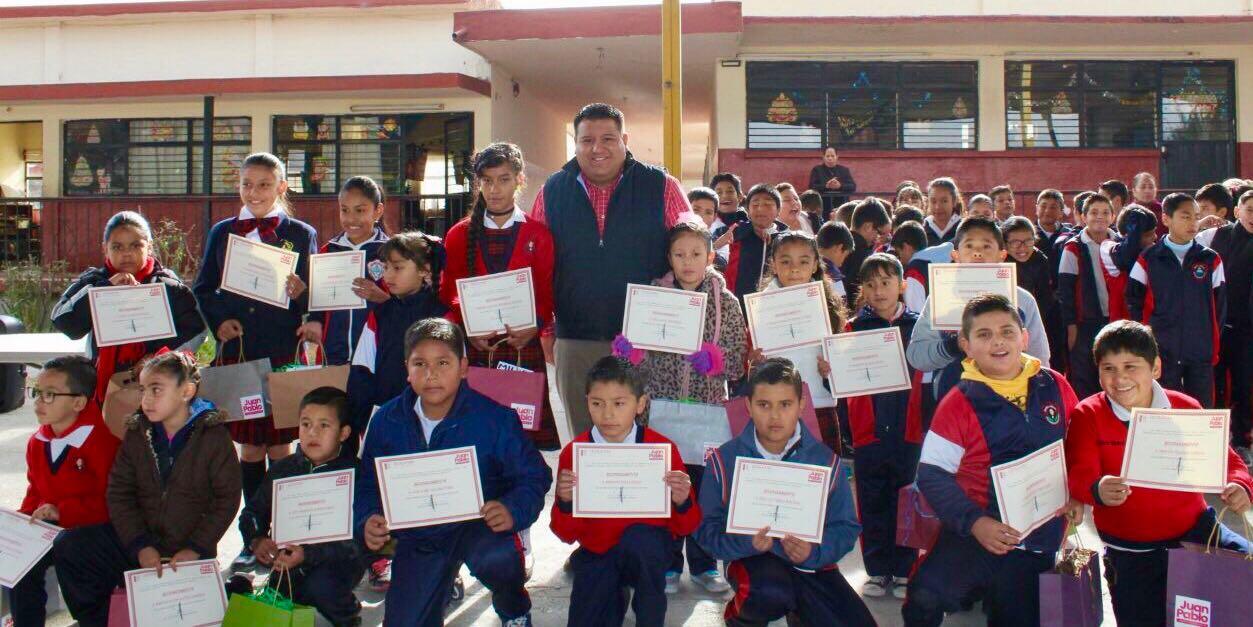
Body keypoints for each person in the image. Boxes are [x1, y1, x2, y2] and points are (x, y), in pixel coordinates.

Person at [355, 318, 551, 627]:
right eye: (420, 363)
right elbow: (367, 482)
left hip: (478, 527)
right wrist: (367, 517)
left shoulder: (495, 419)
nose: (431, 374)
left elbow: (534, 475)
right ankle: (435, 590)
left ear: (463, 367)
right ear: (407, 368)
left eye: (443, 363)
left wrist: (512, 509)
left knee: (499, 560)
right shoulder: (386, 421)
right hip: (419, 536)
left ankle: (514, 607)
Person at [902, 294, 1082, 627]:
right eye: (983, 334)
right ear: (966, 345)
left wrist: (1079, 493)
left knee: (1016, 614)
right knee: (926, 592)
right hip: (977, 531)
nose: (997, 341)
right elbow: (932, 475)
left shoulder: (1054, 385)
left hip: (1039, 534)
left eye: (1007, 331)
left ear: (1024, 338)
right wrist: (975, 523)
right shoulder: (958, 402)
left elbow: (1078, 447)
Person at [1065, 320, 1252, 626]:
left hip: (1196, 534)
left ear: (1156, 368)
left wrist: (1240, 485)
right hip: (1130, 549)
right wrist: (1097, 489)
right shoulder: (1088, 414)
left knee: (1226, 601)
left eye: (1130, 366)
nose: (1120, 378)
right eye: (1108, 368)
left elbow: (1227, 461)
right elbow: (1078, 473)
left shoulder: (1185, 406)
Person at [530, 102, 691, 438]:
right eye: (587, 140)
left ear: (625, 140)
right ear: (575, 143)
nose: (597, 149)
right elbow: (538, 268)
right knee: (585, 440)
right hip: (576, 338)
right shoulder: (552, 191)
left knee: (646, 440)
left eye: (608, 139)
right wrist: (546, 330)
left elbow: (692, 252)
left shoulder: (661, 186)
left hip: (647, 342)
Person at [191, 152, 315, 569]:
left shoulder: (300, 232)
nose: (254, 192)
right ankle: (252, 534)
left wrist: (302, 295)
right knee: (248, 446)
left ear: (282, 186)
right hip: (239, 351)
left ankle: (281, 530)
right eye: (247, 184)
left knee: (280, 444)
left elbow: (314, 293)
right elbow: (204, 287)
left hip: (280, 349)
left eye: (264, 184)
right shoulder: (223, 232)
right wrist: (220, 321)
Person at [55, 351, 241, 627]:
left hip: (188, 548)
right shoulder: (137, 432)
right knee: (70, 546)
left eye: (156, 390)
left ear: (187, 391)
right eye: (143, 390)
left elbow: (227, 499)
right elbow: (119, 492)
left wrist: (195, 547)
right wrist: (140, 544)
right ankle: (98, 620)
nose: (146, 400)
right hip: (140, 541)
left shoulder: (213, 436)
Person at [695, 358, 875, 627]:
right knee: (769, 593)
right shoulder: (724, 460)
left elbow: (846, 526)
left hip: (810, 562)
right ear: (749, 406)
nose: (775, 416)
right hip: (752, 559)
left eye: (786, 405)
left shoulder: (825, 461)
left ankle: (800, 613)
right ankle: (740, 619)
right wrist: (746, 543)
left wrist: (814, 552)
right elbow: (705, 530)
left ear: (801, 405)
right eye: (764, 405)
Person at [622, 221, 745, 594]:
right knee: (668, 488)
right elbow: (633, 363)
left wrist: (718, 361)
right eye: (679, 254)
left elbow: (739, 360)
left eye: (696, 254)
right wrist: (633, 351)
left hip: (709, 413)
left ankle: (706, 564)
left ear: (710, 256)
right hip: (662, 412)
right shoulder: (652, 299)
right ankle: (668, 564)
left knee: (707, 491)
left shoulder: (728, 302)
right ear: (669, 258)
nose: (688, 262)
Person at [550, 357, 702, 626]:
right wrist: (564, 502)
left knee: (642, 542)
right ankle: (614, 595)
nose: (608, 414)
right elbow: (564, 533)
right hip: (597, 551)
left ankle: (648, 611)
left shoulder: (661, 449)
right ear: (587, 402)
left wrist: (682, 501)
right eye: (597, 403)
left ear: (640, 404)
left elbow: (688, 524)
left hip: (647, 553)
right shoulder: (575, 453)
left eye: (619, 404)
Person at [440, 143, 561, 450]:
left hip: (523, 347)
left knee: (522, 440)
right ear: (477, 182)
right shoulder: (458, 235)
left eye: (504, 179)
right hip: (476, 347)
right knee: (475, 436)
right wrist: (468, 327)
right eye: (487, 181)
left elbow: (547, 292)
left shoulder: (538, 234)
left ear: (520, 180)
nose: (494, 189)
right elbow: (449, 292)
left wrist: (535, 324)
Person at [238, 387, 365, 627]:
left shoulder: (356, 475)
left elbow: (360, 540)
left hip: (338, 561)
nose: (312, 432)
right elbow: (252, 513)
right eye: (305, 424)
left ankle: (348, 619)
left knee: (321, 587)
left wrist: (308, 555)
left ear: (344, 433)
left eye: (324, 425)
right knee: (278, 595)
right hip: (288, 561)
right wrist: (256, 539)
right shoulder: (282, 470)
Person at [52, 211, 205, 408]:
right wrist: (104, 290)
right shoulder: (94, 281)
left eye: (136, 245)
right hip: (103, 387)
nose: (126, 253)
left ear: (149, 247)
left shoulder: (167, 285)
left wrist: (159, 358)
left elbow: (197, 330)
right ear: (105, 249)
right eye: (117, 247)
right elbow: (64, 322)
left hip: (158, 387)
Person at [12, 356, 119, 627]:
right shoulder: (38, 441)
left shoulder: (102, 440)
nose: (38, 402)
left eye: (50, 395)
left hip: (96, 531)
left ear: (79, 402)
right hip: (54, 526)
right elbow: (35, 490)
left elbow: (113, 501)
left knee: (70, 552)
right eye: (37, 392)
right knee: (18, 558)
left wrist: (63, 511)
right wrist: (23, 519)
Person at [906, 217, 1052, 413]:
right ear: (955, 255)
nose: (977, 253)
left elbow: (1039, 357)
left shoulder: (1022, 300)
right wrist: (952, 346)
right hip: (955, 401)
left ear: (1002, 255)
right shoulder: (940, 299)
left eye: (986, 246)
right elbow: (917, 356)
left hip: (1013, 402)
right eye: (969, 246)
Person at [845, 254, 922, 599]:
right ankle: (876, 570)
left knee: (907, 498)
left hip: (909, 428)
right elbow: (842, 381)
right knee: (872, 498)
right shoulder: (852, 328)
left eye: (886, 283)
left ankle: (905, 568)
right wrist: (830, 368)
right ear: (862, 289)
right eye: (871, 284)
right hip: (869, 430)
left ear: (902, 286)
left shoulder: (919, 327)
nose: (879, 291)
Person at [1126, 192, 1226, 406]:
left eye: (1196, 217)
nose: (1193, 223)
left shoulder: (1211, 259)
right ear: (1166, 219)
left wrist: (1209, 342)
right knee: (1164, 407)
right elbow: (1134, 303)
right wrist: (1148, 340)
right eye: (1185, 216)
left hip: (1200, 350)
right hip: (1162, 351)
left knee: (1201, 409)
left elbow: (1219, 307)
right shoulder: (1148, 258)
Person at [754, 231, 849, 452]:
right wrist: (754, 361)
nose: (794, 269)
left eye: (804, 261)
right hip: (776, 407)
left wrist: (831, 370)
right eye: (785, 261)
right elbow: (750, 357)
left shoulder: (828, 305)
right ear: (774, 264)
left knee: (821, 477)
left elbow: (841, 360)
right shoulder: (760, 306)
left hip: (819, 403)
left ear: (816, 264)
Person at [1056, 194, 1148, 399]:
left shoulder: (1121, 244)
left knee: (1115, 367)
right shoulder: (1073, 247)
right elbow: (1066, 289)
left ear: (1113, 216)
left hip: (1116, 318)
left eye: (1105, 212)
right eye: (1094, 212)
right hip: (1085, 321)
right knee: (1085, 373)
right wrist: (1071, 325)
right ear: (1082, 216)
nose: (1100, 217)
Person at [306, 176, 391, 365]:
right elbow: (319, 300)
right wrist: (314, 322)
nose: (351, 218)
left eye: (360, 210)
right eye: (344, 210)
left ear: (377, 211)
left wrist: (383, 298)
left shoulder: (392, 252)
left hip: (378, 352)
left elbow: (405, 303)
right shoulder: (328, 251)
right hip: (334, 354)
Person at [1199, 189, 1253, 462]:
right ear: (1237, 211)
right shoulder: (1215, 236)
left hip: (1248, 330)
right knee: (1215, 385)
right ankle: (1215, 441)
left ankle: (1242, 440)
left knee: (1245, 386)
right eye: (1250, 209)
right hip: (1218, 325)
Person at [1002, 216, 1065, 373]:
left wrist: (1032, 321)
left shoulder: (1039, 259)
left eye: (1028, 241)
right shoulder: (999, 261)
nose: (1023, 247)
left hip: (1031, 316)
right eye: (1016, 242)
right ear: (1004, 244)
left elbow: (1044, 296)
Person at [723, 183, 786, 299]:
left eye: (767, 204)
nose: (760, 209)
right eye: (755, 204)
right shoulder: (734, 235)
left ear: (778, 210)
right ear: (748, 210)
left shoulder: (787, 240)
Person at [841, 197, 891, 303]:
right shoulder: (865, 257)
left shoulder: (837, 246)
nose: (882, 241)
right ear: (868, 227)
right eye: (880, 234)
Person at [808, 146, 857, 220]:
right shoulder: (817, 170)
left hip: (841, 207)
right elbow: (812, 186)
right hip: (822, 207)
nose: (830, 158)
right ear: (823, 157)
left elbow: (852, 186)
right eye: (827, 156)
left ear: (837, 157)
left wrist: (840, 186)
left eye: (832, 156)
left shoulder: (844, 170)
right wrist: (826, 186)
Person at [817, 221, 854, 302]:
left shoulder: (806, 265)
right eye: (845, 255)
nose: (841, 264)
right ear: (838, 248)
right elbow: (841, 303)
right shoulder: (834, 274)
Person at [923, 177, 963, 246]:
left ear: (954, 201)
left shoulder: (964, 228)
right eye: (933, 201)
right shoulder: (923, 229)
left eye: (944, 201)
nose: (937, 207)